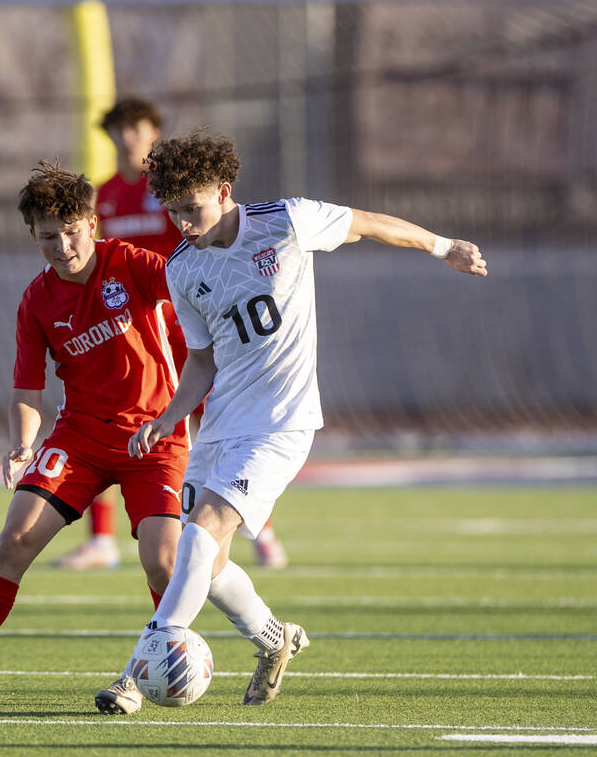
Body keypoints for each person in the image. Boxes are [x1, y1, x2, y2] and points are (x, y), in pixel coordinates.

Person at [122, 129, 487, 707]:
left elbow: (369, 223)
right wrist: (170, 418)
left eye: (193, 209)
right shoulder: (181, 269)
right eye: (174, 213)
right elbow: (201, 360)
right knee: (207, 563)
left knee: (204, 529)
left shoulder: (287, 221)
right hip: (220, 425)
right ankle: (273, 638)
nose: (185, 223)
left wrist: (444, 247)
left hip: (280, 422)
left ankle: (146, 655)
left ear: (224, 190)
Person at [0, 163, 185, 713]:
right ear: (31, 235)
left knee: (162, 561)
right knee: (14, 537)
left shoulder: (134, 264)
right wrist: (22, 445)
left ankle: (142, 675)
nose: (62, 246)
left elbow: (197, 289)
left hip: (155, 436)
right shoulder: (37, 301)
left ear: (92, 221)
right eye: (47, 236)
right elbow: (26, 389)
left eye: (71, 230)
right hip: (80, 436)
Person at [56, 97, 288, 571]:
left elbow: (202, 242)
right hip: (133, 330)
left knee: (217, 421)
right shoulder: (104, 196)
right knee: (102, 417)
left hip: (189, 319)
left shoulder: (173, 190)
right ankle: (101, 538)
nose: (128, 137)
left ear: (153, 132)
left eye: (137, 128)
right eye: (119, 129)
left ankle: (260, 527)